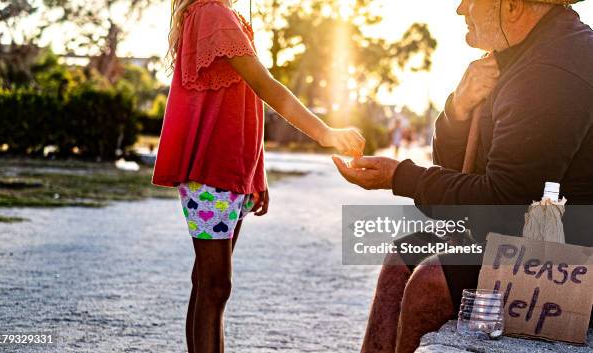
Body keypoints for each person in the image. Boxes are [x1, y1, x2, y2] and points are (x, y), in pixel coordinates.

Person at [333, 0, 593, 352]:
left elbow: (504, 204)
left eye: (470, 0)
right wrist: (458, 109)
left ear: (513, 7)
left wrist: (400, 177)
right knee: (400, 260)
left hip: (573, 257)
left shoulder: (551, 71)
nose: (459, 9)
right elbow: (457, 174)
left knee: (428, 285)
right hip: (523, 234)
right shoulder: (516, 56)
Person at [152, 0, 366, 352]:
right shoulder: (211, 14)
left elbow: (243, 103)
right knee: (215, 285)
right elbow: (265, 86)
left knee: (208, 284)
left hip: (230, 173)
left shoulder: (225, 15)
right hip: (211, 172)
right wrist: (325, 133)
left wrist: (256, 175)